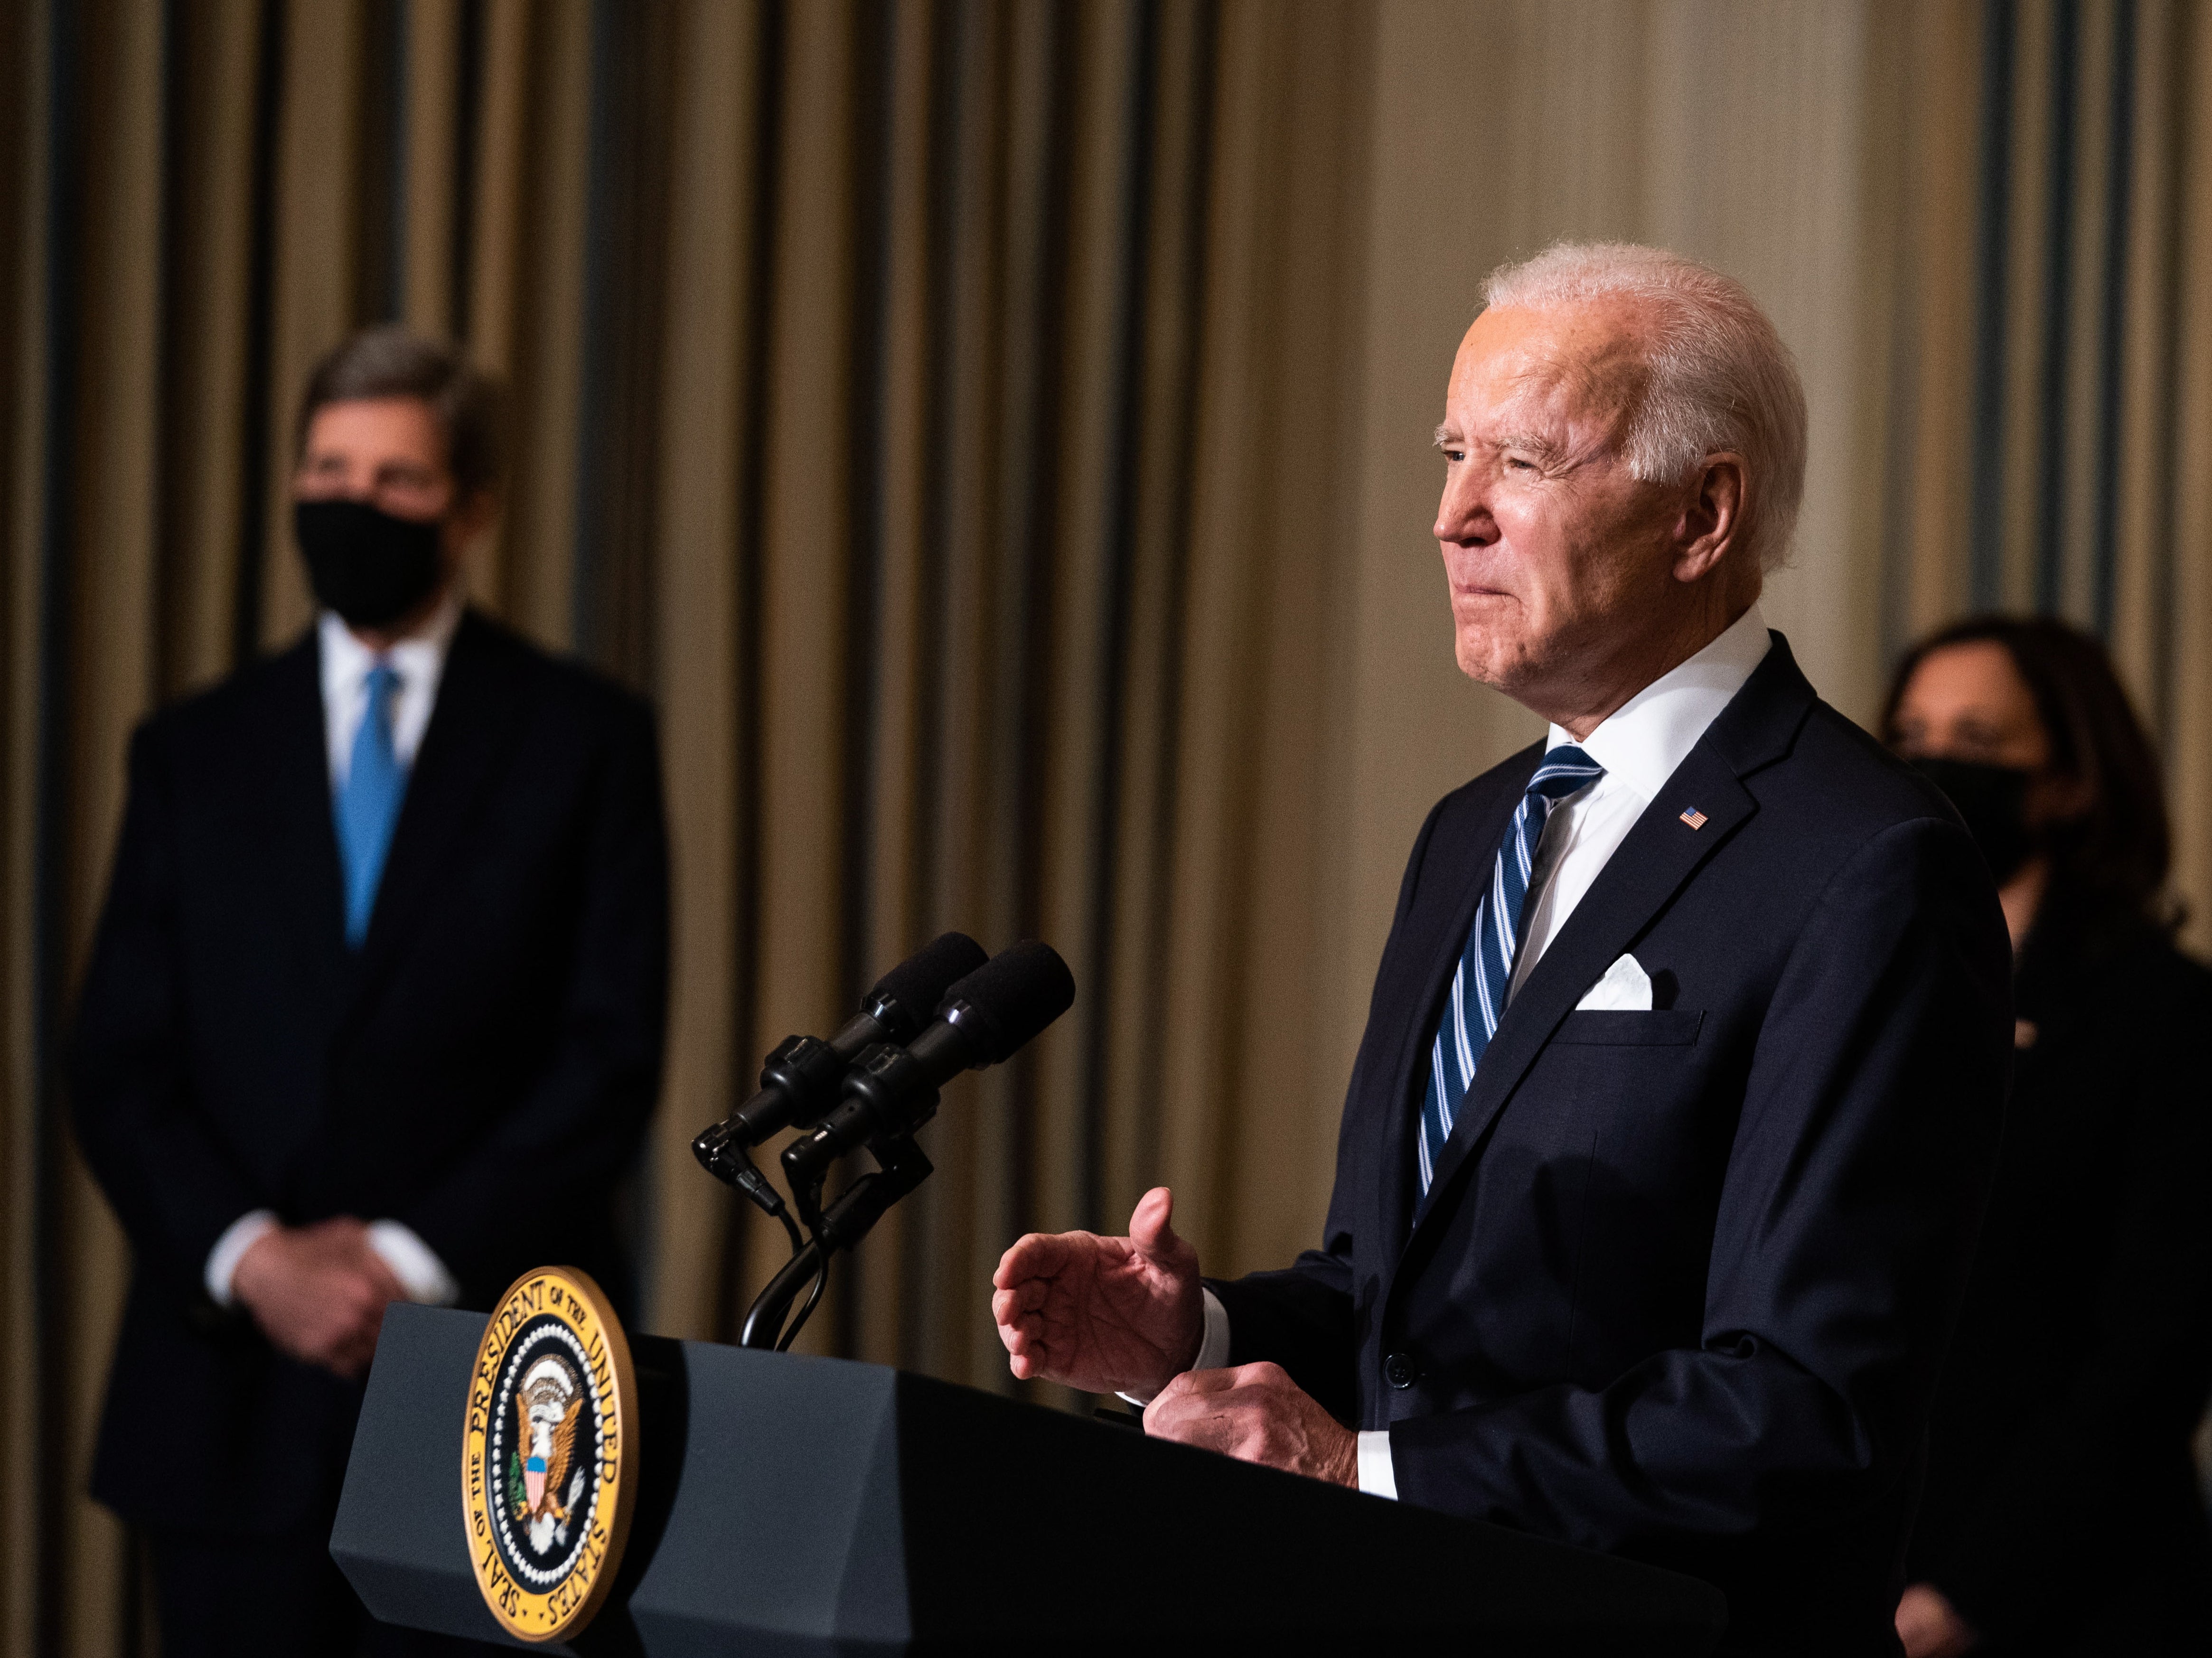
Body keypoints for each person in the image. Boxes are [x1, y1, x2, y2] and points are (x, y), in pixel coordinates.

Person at [992, 244, 2012, 1654]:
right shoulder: (1468, 830)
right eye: (1451, 453)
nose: (1450, 517)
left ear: (1702, 512)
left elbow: (1801, 1405)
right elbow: (1391, 1305)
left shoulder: (1864, 862)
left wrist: (1366, 1471)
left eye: (1520, 461)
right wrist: (1202, 1335)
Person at [70, 328, 670, 1656]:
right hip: (227, 1398)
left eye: (397, 479)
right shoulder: (193, 751)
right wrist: (258, 1258)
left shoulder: (584, 739)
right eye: (329, 469)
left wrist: (398, 1261)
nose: (355, 504)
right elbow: (118, 1059)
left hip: (500, 1400)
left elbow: (607, 1053)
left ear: (472, 509)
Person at [1885, 616, 2212, 1657]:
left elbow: (2151, 1353)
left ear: (2068, 781)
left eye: (1977, 744)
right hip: (1855, 1574)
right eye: (1909, 737)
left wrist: (1968, 1593)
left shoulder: (2165, 1015)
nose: (1935, 767)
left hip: (2072, 1598)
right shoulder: (1855, 991)